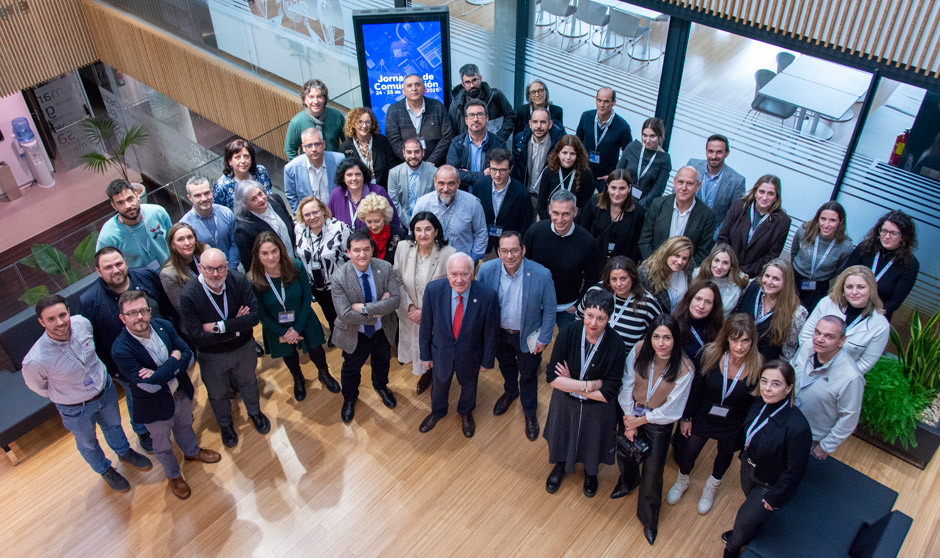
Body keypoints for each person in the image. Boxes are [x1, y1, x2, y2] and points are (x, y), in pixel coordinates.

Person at [22, 295, 152, 492]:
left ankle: (124, 452)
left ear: (68, 312)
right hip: (75, 408)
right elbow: (38, 387)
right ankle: (105, 470)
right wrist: (68, 394)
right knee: (88, 443)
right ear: (42, 322)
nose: (60, 322)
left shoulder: (82, 324)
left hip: (104, 391)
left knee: (114, 426)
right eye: (51, 319)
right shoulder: (36, 359)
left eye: (62, 315)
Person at [111, 291, 221, 500]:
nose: (139, 317)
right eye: (132, 313)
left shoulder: (164, 326)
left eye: (143, 310)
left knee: (185, 426)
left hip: (180, 392)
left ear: (149, 310)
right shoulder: (120, 349)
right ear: (122, 318)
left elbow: (188, 354)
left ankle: (192, 452)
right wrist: (173, 360)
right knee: (162, 445)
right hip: (154, 406)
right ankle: (173, 475)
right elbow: (149, 384)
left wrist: (163, 371)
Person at [81, 246, 177, 453]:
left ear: (125, 262)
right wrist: (113, 370)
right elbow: (94, 342)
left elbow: (166, 307)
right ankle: (142, 431)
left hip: (163, 352)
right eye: (108, 267)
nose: (115, 270)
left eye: (118, 264)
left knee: (173, 385)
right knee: (137, 399)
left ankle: (176, 415)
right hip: (129, 367)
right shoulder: (89, 301)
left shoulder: (146, 276)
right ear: (98, 271)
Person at [614, 314, 695, 545]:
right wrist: (629, 417)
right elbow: (626, 383)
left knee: (653, 472)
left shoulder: (685, 369)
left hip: (658, 422)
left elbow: (672, 410)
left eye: (667, 338)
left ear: (675, 339)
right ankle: (627, 482)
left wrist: (638, 422)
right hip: (632, 411)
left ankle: (649, 520)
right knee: (626, 453)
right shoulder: (639, 349)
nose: (660, 343)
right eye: (656, 336)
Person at [669, 314, 761, 515]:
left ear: (752, 341)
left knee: (724, 457)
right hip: (703, 415)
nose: (739, 347)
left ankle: (711, 486)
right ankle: (682, 480)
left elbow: (755, 404)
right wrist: (686, 417)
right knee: (688, 453)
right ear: (726, 337)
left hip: (734, 422)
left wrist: (745, 433)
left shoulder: (759, 365)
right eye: (735, 340)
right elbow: (695, 389)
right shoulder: (709, 354)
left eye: (745, 341)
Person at [179, 248, 268, 448]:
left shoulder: (238, 280)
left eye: (220, 268)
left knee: (249, 383)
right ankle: (226, 425)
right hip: (212, 356)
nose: (215, 274)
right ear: (200, 268)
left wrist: (219, 326)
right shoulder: (189, 295)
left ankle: (255, 413)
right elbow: (199, 337)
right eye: (209, 269)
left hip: (243, 348)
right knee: (217, 393)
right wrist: (236, 325)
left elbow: (254, 317)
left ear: (227, 266)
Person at [721, 361, 812, 558]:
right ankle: (747, 533)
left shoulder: (798, 427)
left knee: (743, 520)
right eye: (764, 381)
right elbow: (750, 434)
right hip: (749, 469)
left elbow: (795, 470)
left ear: (789, 388)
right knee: (750, 511)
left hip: (770, 484)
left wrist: (775, 497)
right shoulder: (759, 403)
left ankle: (732, 548)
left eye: (776, 384)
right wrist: (742, 455)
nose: (767, 388)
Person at [543, 289, 625, 497]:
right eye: (590, 315)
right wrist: (589, 385)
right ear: (584, 312)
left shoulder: (616, 344)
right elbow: (552, 378)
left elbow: (608, 393)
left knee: (593, 441)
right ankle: (560, 465)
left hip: (597, 407)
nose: (593, 323)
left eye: (600, 318)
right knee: (563, 434)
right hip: (566, 401)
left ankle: (591, 473)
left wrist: (569, 383)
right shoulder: (569, 332)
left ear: (609, 318)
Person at [478, 231, 557, 440]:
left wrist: (544, 338)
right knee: (506, 366)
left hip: (528, 336)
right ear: (498, 252)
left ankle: (529, 411)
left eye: (514, 250)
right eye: (504, 251)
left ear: (523, 250)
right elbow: (480, 302)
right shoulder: (486, 270)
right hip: (499, 333)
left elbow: (550, 309)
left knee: (528, 374)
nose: (509, 256)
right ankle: (511, 391)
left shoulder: (541, 274)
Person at [418, 253, 500, 437]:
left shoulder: (488, 296)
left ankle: (466, 412)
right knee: (439, 385)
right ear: (447, 274)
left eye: (464, 274)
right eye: (454, 274)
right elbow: (426, 326)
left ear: (473, 273)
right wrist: (425, 355)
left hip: (471, 355)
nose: (459, 280)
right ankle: (437, 411)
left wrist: (487, 361)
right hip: (441, 353)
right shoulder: (433, 290)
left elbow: (491, 333)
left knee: (469, 386)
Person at [247, 231, 332, 402]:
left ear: (281, 249)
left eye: (274, 251)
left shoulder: (295, 266)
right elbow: (260, 312)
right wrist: (284, 332)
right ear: (257, 255)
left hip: (303, 317)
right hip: (276, 326)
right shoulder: (253, 279)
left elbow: (307, 297)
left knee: (316, 349)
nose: (271, 257)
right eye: (265, 253)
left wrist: (297, 328)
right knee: (289, 353)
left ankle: (324, 373)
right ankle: (298, 378)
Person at [330, 230, 401, 423]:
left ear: (372, 250)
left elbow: (395, 300)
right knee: (351, 369)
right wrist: (379, 310)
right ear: (348, 252)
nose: (362, 254)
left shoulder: (385, 268)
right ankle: (350, 398)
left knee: (382, 362)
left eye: (366, 249)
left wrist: (365, 309)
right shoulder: (339, 277)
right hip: (355, 334)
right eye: (356, 250)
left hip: (381, 331)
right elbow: (345, 314)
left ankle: (381, 386)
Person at [394, 212, 455, 395]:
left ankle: (439, 378)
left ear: (436, 231)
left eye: (428, 229)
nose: (423, 234)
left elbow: (452, 290)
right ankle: (426, 374)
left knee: (437, 348)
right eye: (418, 229)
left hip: (437, 315)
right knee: (418, 347)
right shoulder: (403, 248)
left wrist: (426, 313)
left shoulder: (449, 253)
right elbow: (396, 280)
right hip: (409, 312)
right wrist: (410, 307)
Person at [524, 190, 601, 330]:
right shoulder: (535, 231)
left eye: (565, 214)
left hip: (567, 308)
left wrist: (578, 304)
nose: (560, 219)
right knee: (530, 342)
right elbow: (523, 264)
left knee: (567, 343)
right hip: (536, 305)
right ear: (549, 210)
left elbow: (592, 277)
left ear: (575, 212)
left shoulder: (587, 241)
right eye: (555, 213)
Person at [791, 316, 864, 459]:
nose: (819, 339)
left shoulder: (851, 377)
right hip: (784, 419)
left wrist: (826, 446)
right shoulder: (806, 346)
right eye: (817, 332)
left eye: (828, 336)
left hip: (809, 436)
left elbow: (849, 418)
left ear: (842, 340)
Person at [799, 266, 890, 375]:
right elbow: (805, 336)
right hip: (806, 365)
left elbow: (865, 363)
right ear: (843, 288)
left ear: (872, 289)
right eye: (849, 287)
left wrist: (836, 377)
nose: (854, 292)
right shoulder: (827, 303)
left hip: (841, 378)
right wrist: (810, 364)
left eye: (861, 287)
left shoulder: (880, 326)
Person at [293, 196, 350, 355]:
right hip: (315, 284)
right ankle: (335, 332)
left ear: (323, 211)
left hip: (338, 283)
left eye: (315, 212)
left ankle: (349, 337)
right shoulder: (299, 229)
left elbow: (350, 256)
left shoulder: (340, 228)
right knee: (328, 311)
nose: (312, 217)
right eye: (307, 214)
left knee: (343, 312)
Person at [845, 209, 920, 321]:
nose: (887, 236)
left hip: (875, 317)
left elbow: (894, 302)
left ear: (903, 237)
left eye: (893, 233)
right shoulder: (865, 248)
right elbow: (845, 276)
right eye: (884, 231)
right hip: (847, 306)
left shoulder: (910, 264)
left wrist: (870, 314)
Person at [576, 256, 661, 353]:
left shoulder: (647, 303)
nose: (619, 284)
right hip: (589, 353)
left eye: (623, 279)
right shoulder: (596, 291)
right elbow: (579, 317)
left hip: (625, 358)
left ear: (633, 277)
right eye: (614, 279)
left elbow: (658, 333)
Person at [639, 166, 716, 265]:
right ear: (674, 182)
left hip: (684, 270)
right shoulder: (658, 204)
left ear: (698, 186)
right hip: (654, 265)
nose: (684, 188)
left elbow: (703, 252)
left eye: (689, 183)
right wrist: (655, 264)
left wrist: (681, 268)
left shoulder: (707, 215)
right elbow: (645, 240)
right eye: (680, 182)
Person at [717, 175, 791, 277]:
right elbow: (723, 237)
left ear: (776, 197)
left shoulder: (783, 222)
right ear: (755, 192)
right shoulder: (738, 206)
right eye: (762, 192)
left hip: (752, 275)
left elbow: (772, 255)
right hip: (725, 268)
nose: (764, 197)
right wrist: (728, 265)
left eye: (770, 194)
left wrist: (743, 272)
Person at [412, 165, 488, 261]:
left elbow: (481, 233)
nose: (445, 189)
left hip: (461, 263)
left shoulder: (473, 204)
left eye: (451, 184)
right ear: (435, 182)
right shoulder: (422, 204)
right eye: (441, 183)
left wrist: (473, 260)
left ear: (458, 183)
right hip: (430, 262)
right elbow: (414, 233)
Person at [736, 259, 807, 361]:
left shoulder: (796, 313)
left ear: (787, 282)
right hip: (736, 354)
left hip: (763, 364)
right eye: (767, 276)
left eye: (776, 279)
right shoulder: (751, 286)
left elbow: (787, 353)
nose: (769, 282)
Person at [791, 201, 854, 311]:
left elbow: (839, 270)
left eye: (832, 220)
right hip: (794, 277)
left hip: (819, 286)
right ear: (818, 218)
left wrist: (821, 275)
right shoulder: (803, 232)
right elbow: (794, 252)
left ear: (840, 222)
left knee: (806, 314)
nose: (826, 225)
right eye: (823, 219)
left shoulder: (846, 246)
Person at [97, 179, 171, 270]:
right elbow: (105, 268)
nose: (127, 206)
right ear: (114, 206)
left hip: (172, 272)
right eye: (120, 203)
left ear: (137, 196)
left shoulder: (158, 212)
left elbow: (173, 242)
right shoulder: (108, 237)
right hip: (139, 278)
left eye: (130, 199)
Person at [471, 148, 535, 253]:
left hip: (509, 248)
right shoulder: (480, 185)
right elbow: (473, 215)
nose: (497, 174)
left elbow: (525, 226)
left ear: (510, 169)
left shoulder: (522, 193)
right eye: (493, 169)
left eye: (502, 170)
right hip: (483, 244)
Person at [385, 73, 454, 166]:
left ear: (424, 89)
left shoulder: (437, 106)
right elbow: (394, 141)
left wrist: (431, 162)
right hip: (407, 166)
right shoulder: (394, 110)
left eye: (417, 84)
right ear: (403, 91)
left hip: (435, 165)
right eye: (409, 86)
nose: (414, 88)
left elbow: (447, 137)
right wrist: (413, 161)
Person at [578, 169, 645, 263]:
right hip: (593, 259)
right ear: (607, 186)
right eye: (613, 188)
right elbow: (583, 232)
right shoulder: (594, 202)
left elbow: (635, 246)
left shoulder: (638, 211)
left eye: (622, 188)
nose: (617, 193)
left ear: (629, 188)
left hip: (621, 263)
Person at [687, 135, 747, 238]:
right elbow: (678, 191)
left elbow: (734, 215)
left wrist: (715, 236)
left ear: (727, 153)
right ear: (706, 151)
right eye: (710, 151)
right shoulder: (693, 165)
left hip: (710, 235)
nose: (714, 156)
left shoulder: (737, 181)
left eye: (719, 152)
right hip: (685, 225)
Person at [233, 180, 297, 270]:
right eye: (253, 199)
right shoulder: (243, 229)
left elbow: (290, 223)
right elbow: (249, 262)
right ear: (245, 205)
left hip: (296, 260)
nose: (260, 199)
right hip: (274, 271)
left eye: (260, 194)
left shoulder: (276, 200)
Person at [576, 87, 632, 189]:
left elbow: (628, 156)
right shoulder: (586, 117)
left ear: (614, 102)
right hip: (583, 172)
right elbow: (577, 142)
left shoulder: (623, 127)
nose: (601, 105)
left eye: (606, 101)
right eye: (599, 100)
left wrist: (614, 176)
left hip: (606, 178)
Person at [446, 99, 508, 190]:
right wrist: (483, 174)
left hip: (489, 194)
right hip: (464, 194)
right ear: (466, 120)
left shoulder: (498, 143)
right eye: (471, 115)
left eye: (479, 114)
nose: (476, 119)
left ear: (487, 118)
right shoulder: (457, 143)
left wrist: (466, 175)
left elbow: (501, 173)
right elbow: (452, 173)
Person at [180, 176, 239, 269]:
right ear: (190, 198)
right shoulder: (185, 225)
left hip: (231, 267)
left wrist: (230, 268)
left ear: (212, 192)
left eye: (206, 193)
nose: (204, 199)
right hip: (207, 272)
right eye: (198, 195)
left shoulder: (226, 213)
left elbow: (235, 242)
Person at [327, 158, 400, 230]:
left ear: (363, 176)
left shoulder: (378, 192)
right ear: (343, 177)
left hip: (375, 237)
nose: (354, 178)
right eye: (349, 175)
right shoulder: (336, 194)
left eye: (358, 174)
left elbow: (393, 222)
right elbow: (329, 223)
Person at [283, 127, 346, 212]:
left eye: (317, 144)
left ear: (324, 144)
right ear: (303, 148)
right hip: (311, 217)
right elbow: (292, 196)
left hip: (337, 213)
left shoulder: (339, 160)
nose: (314, 149)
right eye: (309, 145)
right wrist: (302, 217)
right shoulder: (291, 169)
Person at [447, 63, 515, 141]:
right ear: (463, 84)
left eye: (474, 80)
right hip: (466, 147)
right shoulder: (456, 106)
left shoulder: (495, 96)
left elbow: (510, 116)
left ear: (480, 78)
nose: (472, 85)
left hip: (494, 146)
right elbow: (451, 133)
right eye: (468, 82)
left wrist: (500, 138)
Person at [616, 117, 672, 209]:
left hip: (643, 208)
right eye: (645, 135)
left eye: (652, 136)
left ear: (660, 136)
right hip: (620, 199)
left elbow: (657, 191)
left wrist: (639, 207)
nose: (647, 140)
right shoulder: (632, 147)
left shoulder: (664, 160)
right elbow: (618, 172)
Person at [339, 107, 401, 188]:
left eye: (368, 122)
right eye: (360, 122)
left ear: (372, 124)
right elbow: (343, 174)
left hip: (383, 189)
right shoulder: (345, 147)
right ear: (353, 123)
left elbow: (392, 167)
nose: (364, 126)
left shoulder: (382, 141)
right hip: (358, 190)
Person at [536, 135, 596, 219]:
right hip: (551, 218)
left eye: (572, 153)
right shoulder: (549, 172)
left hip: (574, 220)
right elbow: (541, 205)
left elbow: (586, 207)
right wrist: (550, 223)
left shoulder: (585, 174)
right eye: (564, 153)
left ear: (578, 155)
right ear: (558, 153)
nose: (568, 157)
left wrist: (573, 225)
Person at [284, 78, 346, 158]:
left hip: (335, 164)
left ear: (325, 99)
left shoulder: (337, 116)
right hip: (309, 165)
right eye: (311, 97)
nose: (316, 101)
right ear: (304, 99)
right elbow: (290, 150)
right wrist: (302, 165)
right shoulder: (297, 122)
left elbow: (349, 142)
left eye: (319, 96)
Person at [511, 107, 564, 198]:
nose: (538, 126)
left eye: (543, 122)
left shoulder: (559, 145)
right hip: (524, 195)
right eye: (535, 122)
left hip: (547, 198)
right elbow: (514, 169)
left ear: (550, 124)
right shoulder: (519, 140)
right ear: (530, 123)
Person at [386, 138, 437, 228]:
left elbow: (435, 202)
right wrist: (410, 225)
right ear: (404, 153)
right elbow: (394, 203)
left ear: (423, 153)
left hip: (427, 223)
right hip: (402, 225)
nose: (413, 156)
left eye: (417, 152)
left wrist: (422, 223)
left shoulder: (434, 172)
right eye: (409, 152)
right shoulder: (394, 173)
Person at [639, 235, 694, 313]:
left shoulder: (688, 270)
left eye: (684, 258)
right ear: (667, 253)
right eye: (677, 256)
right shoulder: (646, 273)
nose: (680, 262)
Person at [673, 280, 725, 363]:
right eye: (698, 299)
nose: (701, 306)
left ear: (713, 306)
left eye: (708, 302)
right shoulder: (674, 325)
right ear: (690, 298)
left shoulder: (719, 329)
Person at [160, 223, 207, 313]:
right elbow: (182, 308)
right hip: (197, 315)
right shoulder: (168, 274)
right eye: (180, 239)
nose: (187, 243)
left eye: (190, 237)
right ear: (173, 245)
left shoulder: (206, 253)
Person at [212, 139, 272, 208]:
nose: (243, 161)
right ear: (230, 161)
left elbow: (269, 193)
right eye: (237, 157)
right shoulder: (221, 186)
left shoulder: (261, 171)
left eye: (246, 156)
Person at [693, 244, 749, 317]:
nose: (719, 267)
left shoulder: (739, 280)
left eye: (725, 263)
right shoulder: (697, 274)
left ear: (731, 266)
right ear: (711, 261)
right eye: (716, 260)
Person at [356, 193, 406, 264]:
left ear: (385, 217)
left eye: (377, 221)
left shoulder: (399, 234)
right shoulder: (361, 235)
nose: (373, 226)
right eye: (369, 222)